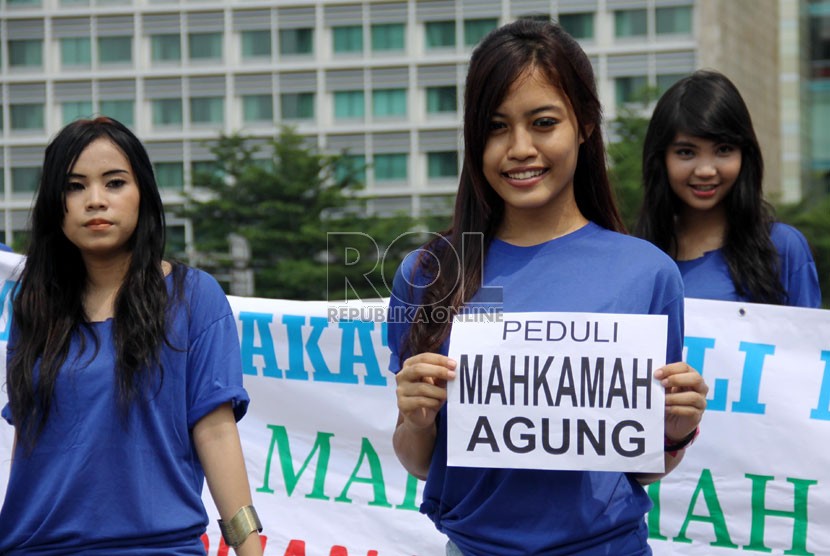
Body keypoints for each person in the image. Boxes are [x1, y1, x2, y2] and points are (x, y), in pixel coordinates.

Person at [387, 19, 708, 555]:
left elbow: (642, 469)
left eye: (542, 123)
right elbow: (420, 462)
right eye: (495, 127)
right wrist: (417, 420)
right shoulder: (427, 273)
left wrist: (673, 431)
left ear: (583, 124)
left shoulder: (648, 273)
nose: (519, 148)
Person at [0, 117, 263, 555]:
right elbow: (28, 442)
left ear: (143, 194)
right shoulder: (33, 304)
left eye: (115, 182)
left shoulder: (193, 298)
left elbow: (216, 433)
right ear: (53, 204)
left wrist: (250, 550)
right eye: (74, 186)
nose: (95, 200)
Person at [637, 69, 821, 307]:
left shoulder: (782, 247)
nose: (706, 170)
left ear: (746, 154)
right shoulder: (639, 258)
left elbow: (807, 342)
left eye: (723, 150)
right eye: (686, 152)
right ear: (661, 159)